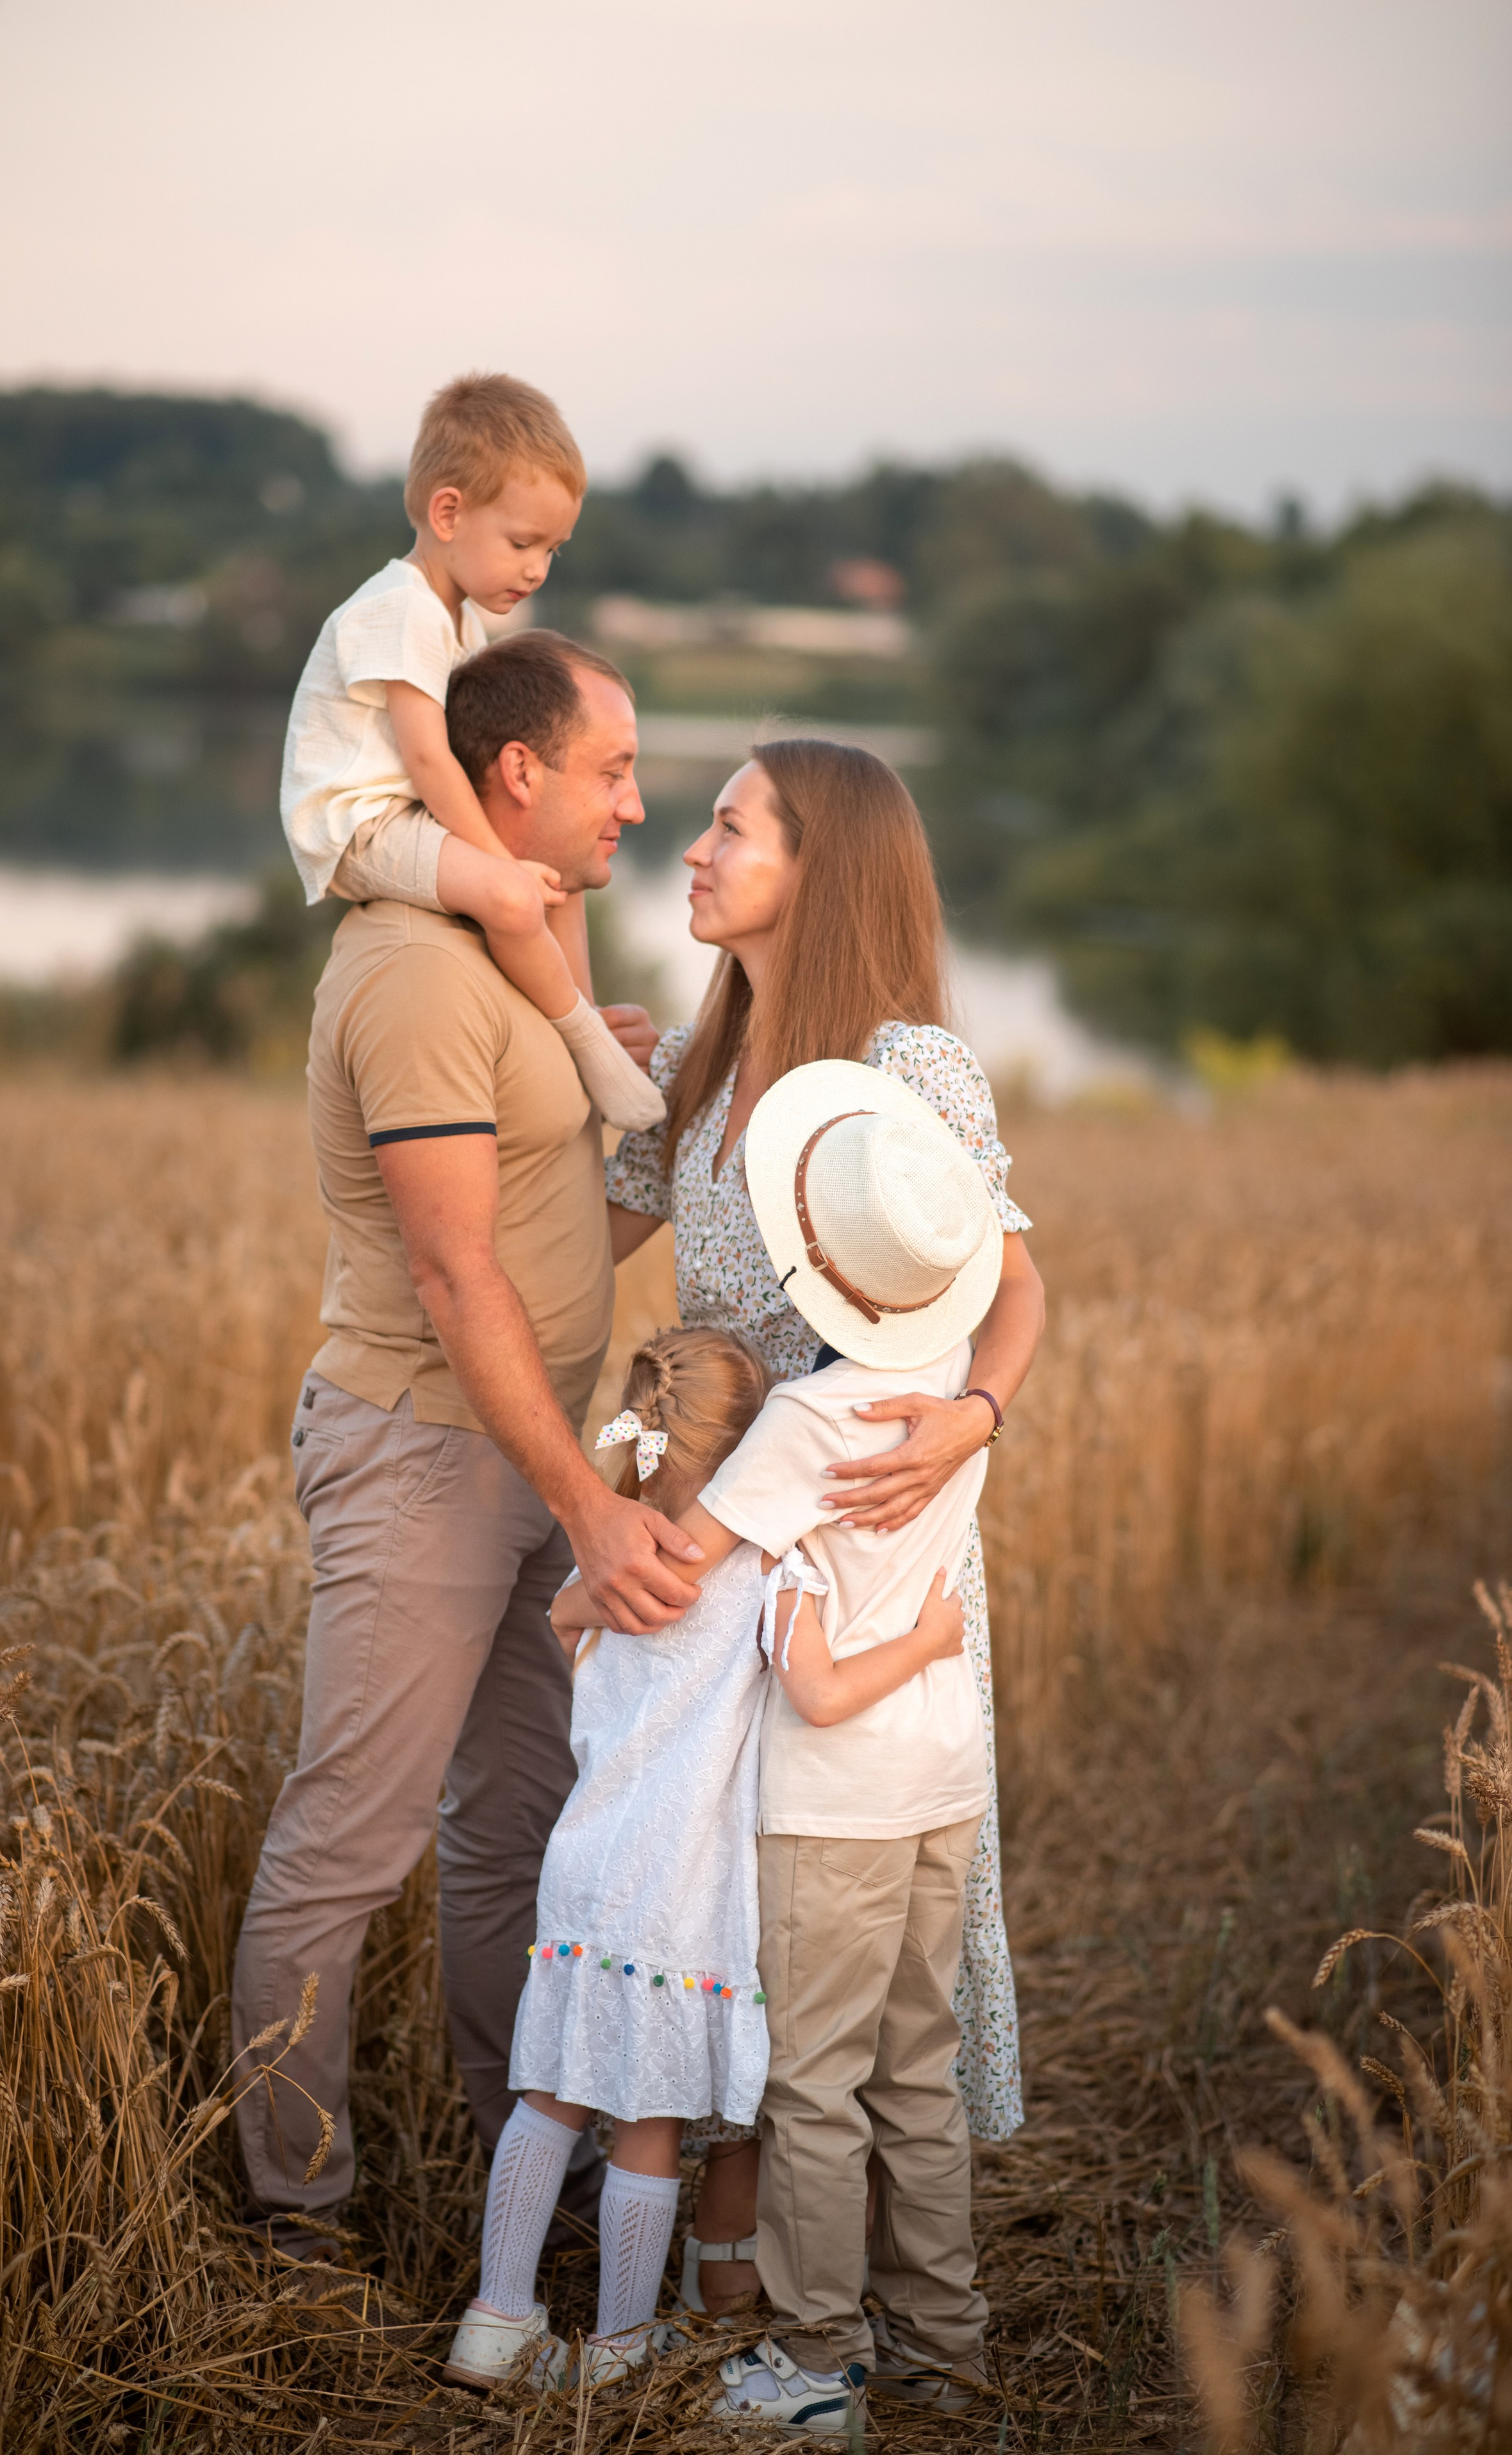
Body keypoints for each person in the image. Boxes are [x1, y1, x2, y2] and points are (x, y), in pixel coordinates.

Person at [231, 630, 702, 2265]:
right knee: (347, 1841)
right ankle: (295, 2209)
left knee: (517, 1825)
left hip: (522, 1451)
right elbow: (453, 1271)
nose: (635, 804)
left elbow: (564, 1229)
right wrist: (588, 1503)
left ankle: (524, 2145)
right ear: (516, 772)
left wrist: (677, 1094)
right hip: (427, 1453)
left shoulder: (512, 959)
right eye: (611, 769)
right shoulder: (422, 971)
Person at [604, 738, 1045, 2305]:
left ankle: (827, 2304)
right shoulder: (695, 1063)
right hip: (724, 1503)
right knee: (722, 1882)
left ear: (821, 865)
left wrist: (968, 1419)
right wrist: (564, 1060)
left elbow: (1013, 1277)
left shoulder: (905, 1062)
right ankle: (733, 2258)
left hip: (861, 1515)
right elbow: (583, 1227)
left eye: (732, 827)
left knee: (834, 1913)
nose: (695, 848)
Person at [442, 1322, 975, 2401]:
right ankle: (621, 2345)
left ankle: (496, 2323)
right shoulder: (765, 1575)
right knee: (647, 2125)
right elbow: (819, 1692)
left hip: (585, 1871)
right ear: (752, 1458)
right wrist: (927, 1642)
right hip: (679, 1891)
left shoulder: (612, 1572)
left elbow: (561, 1616)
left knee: (548, 2095)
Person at [700, 1063, 1010, 2431]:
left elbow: (687, 1559)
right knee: (914, 2076)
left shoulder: (805, 1421)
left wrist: (581, 1578)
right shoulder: (949, 1396)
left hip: (828, 1807)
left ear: (810, 1259)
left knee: (811, 2086)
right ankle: (945, 2343)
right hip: (940, 1784)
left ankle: (818, 2358)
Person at [279, 369, 662, 1131]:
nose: (537, 569)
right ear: (448, 512)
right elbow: (428, 760)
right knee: (516, 894)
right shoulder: (403, 609)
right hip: (361, 824)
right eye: (523, 543)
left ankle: (572, 1019)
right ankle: (587, 1043)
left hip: (405, 814)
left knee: (549, 878)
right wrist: (494, 861)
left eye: (553, 550)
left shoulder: (457, 620)